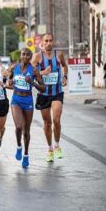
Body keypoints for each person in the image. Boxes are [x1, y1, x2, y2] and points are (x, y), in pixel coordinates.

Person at [31, 33, 68, 162]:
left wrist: (64, 77)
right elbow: (30, 72)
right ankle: (50, 148)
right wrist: (42, 72)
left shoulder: (59, 55)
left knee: (56, 120)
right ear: (42, 42)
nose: (48, 43)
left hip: (57, 93)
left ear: (53, 41)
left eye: (50, 40)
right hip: (43, 94)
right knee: (47, 123)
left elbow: (64, 66)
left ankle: (57, 146)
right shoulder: (37, 57)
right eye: (46, 41)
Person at [8, 48, 45, 168]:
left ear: (30, 57)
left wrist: (32, 83)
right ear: (20, 55)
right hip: (16, 99)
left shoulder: (34, 70)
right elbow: (9, 78)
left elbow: (43, 88)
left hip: (28, 100)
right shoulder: (15, 67)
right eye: (23, 54)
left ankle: (26, 154)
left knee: (26, 131)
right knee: (19, 126)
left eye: (28, 55)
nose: (25, 56)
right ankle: (19, 146)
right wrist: (9, 81)